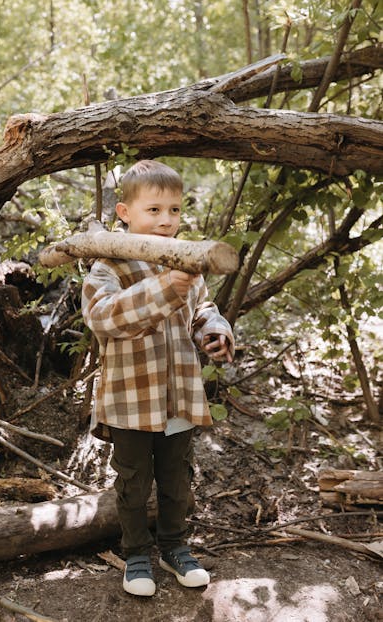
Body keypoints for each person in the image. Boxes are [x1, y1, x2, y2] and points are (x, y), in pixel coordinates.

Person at [81, 160, 235, 597]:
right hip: (132, 397)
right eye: (154, 210)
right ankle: (135, 554)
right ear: (125, 213)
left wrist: (214, 332)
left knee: (176, 476)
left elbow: (202, 310)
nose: (166, 220)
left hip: (179, 392)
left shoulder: (189, 260)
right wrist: (167, 287)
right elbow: (105, 318)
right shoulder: (108, 264)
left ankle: (175, 546)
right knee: (133, 479)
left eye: (173, 210)